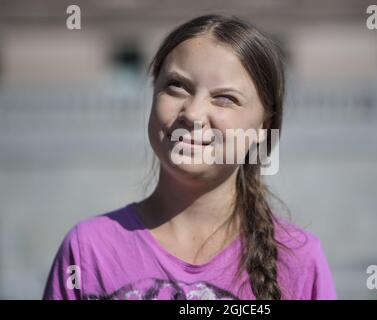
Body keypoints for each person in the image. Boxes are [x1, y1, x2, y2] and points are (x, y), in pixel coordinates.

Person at [43, 14, 337, 300]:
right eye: (177, 86)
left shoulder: (299, 260)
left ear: (264, 127)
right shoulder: (87, 251)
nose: (193, 113)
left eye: (225, 98)